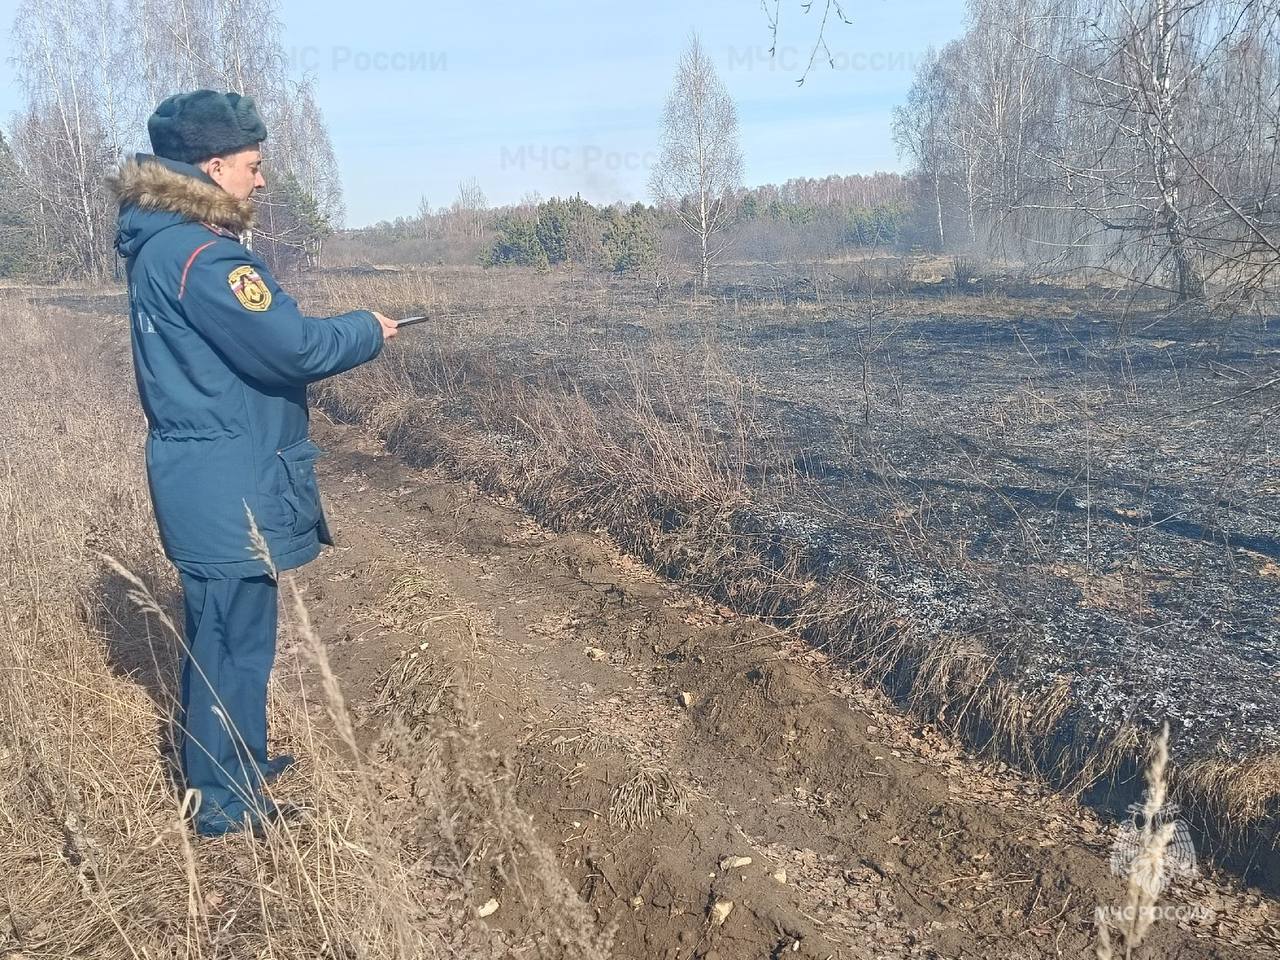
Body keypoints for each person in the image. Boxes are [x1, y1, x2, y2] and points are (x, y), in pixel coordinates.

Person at [108, 89, 397, 836]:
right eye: (252, 164)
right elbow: (292, 345)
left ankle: (242, 763)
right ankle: (222, 805)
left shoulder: (172, 243)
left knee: (240, 637)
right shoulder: (200, 254)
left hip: (217, 471)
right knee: (227, 642)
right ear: (212, 165)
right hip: (224, 482)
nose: (260, 180)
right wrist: (365, 328)